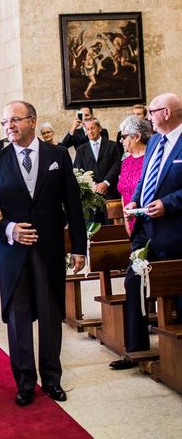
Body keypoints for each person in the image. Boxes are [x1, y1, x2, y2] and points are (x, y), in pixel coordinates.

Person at [0, 100, 86, 407]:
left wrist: (79, 247)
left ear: (33, 121)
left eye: (15, 120)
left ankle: (52, 380)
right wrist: (9, 229)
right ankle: (25, 383)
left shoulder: (58, 156)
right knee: (18, 318)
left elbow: (73, 205)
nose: (9, 126)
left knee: (51, 316)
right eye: (5, 122)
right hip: (13, 253)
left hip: (49, 249)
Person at [117, 92, 182, 369]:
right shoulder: (155, 140)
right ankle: (136, 349)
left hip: (175, 229)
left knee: (176, 288)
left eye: (152, 112)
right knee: (133, 280)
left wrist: (167, 204)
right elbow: (147, 176)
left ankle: (176, 355)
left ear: (166, 112)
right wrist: (137, 199)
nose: (148, 118)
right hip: (146, 227)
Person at [74, 117, 122, 222]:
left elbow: (117, 165)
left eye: (93, 128)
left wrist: (105, 183)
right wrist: (93, 186)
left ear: (99, 128)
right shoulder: (81, 150)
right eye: (88, 129)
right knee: (94, 229)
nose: (90, 131)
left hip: (110, 193)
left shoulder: (112, 145)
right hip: (91, 196)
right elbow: (78, 171)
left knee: (112, 229)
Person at [117, 114, 152, 236]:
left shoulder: (151, 159)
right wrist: (127, 224)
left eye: (124, 137)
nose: (121, 140)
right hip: (130, 222)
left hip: (150, 222)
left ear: (136, 137)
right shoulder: (126, 162)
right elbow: (123, 192)